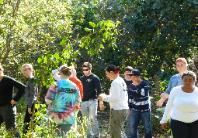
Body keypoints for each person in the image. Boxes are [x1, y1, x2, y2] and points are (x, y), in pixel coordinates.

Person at [160, 71, 198, 138]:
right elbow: (169, 106)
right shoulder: (175, 90)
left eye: (190, 80)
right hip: (178, 123)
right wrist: (164, 120)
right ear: (182, 80)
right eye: (185, 80)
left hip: (195, 123)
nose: (188, 82)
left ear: (194, 80)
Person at [45, 65, 81, 136]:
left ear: (60, 73)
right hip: (69, 117)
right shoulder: (74, 86)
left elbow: (48, 100)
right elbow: (78, 101)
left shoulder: (56, 85)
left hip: (54, 117)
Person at [99, 65, 129, 138]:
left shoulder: (115, 82)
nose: (107, 76)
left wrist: (104, 97)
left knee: (116, 133)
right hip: (123, 109)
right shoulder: (121, 80)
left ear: (111, 72)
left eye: (107, 74)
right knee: (119, 131)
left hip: (118, 111)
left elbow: (115, 98)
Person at [0, 63, 25, 137]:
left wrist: (15, 99)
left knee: (11, 129)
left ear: (1, 70)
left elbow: (22, 88)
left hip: (7, 108)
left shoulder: (7, 79)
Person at [126, 69, 152, 138]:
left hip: (145, 110)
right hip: (134, 110)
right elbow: (130, 99)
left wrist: (133, 91)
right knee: (132, 127)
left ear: (137, 76)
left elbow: (143, 94)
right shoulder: (131, 86)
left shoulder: (145, 83)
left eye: (132, 75)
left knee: (147, 128)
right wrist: (130, 108)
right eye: (130, 75)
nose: (131, 77)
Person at [80, 62, 101, 138]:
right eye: (83, 69)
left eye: (86, 69)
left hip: (93, 100)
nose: (84, 71)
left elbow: (99, 90)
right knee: (85, 119)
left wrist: (100, 102)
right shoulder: (81, 78)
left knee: (93, 118)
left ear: (90, 69)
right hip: (83, 101)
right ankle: (88, 135)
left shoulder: (95, 78)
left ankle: (96, 135)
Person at [21, 64, 38, 134]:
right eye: (23, 70)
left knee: (27, 126)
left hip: (32, 104)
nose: (24, 72)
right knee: (30, 125)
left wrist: (29, 106)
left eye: (25, 70)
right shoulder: (30, 80)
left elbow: (33, 95)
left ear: (30, 70)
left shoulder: (32, 80)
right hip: (32, 104)